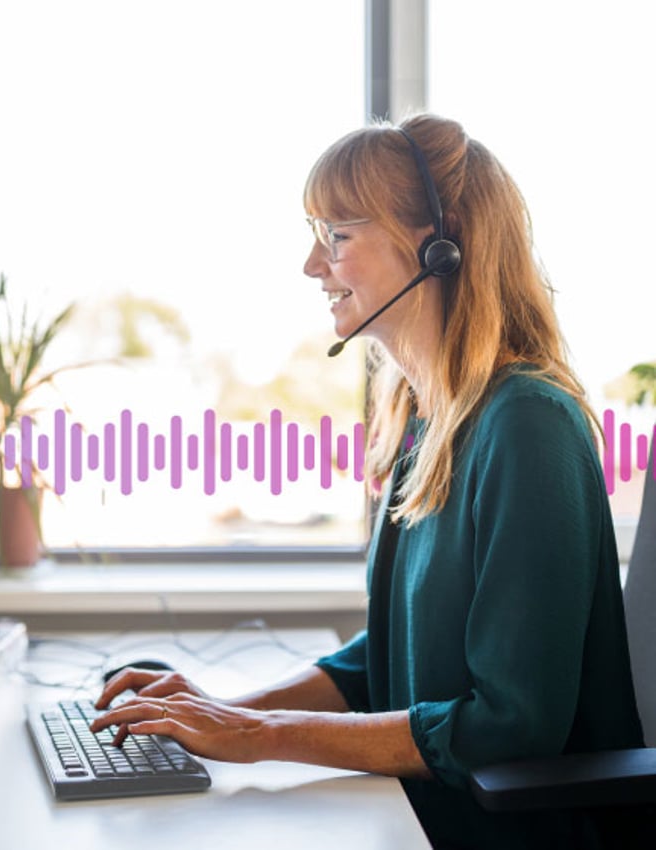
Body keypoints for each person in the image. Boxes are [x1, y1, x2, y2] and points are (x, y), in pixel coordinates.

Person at [91, 114, 645, 849]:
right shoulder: (429, 418)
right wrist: (220, 710)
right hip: (418, 816)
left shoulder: (528, 426)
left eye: (337, 237)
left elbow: (510, 726)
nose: (312, 266)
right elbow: (381, 659)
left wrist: (258, 732)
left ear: (438, 246)